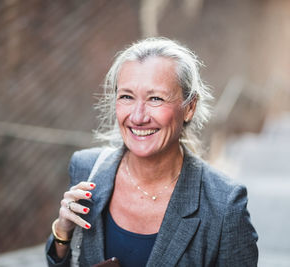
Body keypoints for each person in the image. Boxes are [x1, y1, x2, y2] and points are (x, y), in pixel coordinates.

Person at [45, 37, 258, 267]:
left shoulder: (224, 204)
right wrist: (62, 233)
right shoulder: (87, 169)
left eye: (155, 98)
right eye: (127, 96)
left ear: (190, 107)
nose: (138, 116)